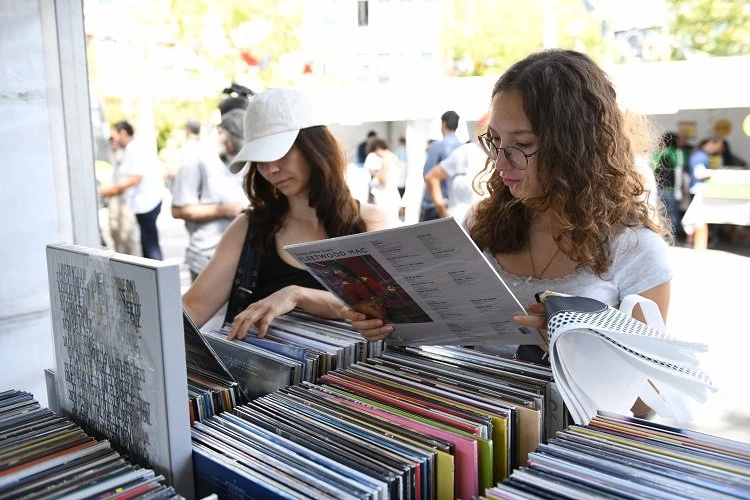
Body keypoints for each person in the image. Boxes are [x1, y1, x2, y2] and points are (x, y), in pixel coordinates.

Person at [344, 49, 672, 413]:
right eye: (495, 141)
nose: (500, 162)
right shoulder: (482, 222)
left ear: (577, 147)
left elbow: (647, 402)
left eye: (523, 145)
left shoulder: (635, 249)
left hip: (564, 444)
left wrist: (581, 347)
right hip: (468, 425)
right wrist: (394, 321)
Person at [182, 88, 388, 340]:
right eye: (260, 158)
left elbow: (382, 304)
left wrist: (296, 295)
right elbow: (192, 308)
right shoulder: (248, 228)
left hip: (358, 377)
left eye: (279, 152)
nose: (271, 169)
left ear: (315, 147)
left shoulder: (368, 221)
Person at [171, 111, 249, 282]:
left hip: (246, 258)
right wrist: (223, 210)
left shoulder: (249, 158)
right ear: (220, 132)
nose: (236, 152)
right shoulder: (196, 158)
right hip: (207, 259)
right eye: (233, 145)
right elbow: (178, 210)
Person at [100, 120, 164, 260]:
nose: (113, 139)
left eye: (114, 136)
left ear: (123, 133)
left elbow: (135, 178)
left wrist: (112, 190)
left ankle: (160, 279)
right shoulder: (132, 148)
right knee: (148, 244)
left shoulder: (134, 148)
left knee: (150, 247)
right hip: (144, 203)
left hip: (147, 203)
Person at [424, 137, 488, 226]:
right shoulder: (467, 152)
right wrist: (443, 213)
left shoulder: (501, 157)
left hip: (483, 228)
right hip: (458, 225)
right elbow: (431, 177)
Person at [419, 111, 462, 221]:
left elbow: (427, 174)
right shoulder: (463, 148)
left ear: (443, 124)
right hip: (454, 204)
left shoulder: (437, 146)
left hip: (435, 205)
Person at [365, 138, 403, 226]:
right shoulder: (393, 156)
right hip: (392, 195)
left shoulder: (386, 159)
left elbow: (383, 180)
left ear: (378, 148)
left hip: (386, 197)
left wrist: (373, 172)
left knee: (387, 224)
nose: (376, 155)